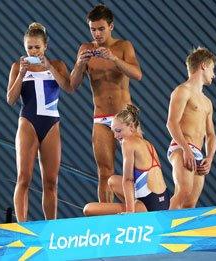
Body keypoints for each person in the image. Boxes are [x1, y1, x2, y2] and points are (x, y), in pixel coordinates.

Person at [70, 4, 142, 203]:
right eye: (93, 29)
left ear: (111, 26)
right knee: (104, 173)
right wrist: (78, 65)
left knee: (140, 169)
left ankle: (143, 212)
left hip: (125, 117)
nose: (97, 33)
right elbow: (72, 85)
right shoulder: (85, 49)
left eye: (101, 29)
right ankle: (106, 217)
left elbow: (137, 74)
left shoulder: (123, 46)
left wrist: (114, 59)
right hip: (101, 118)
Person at [6, 22, 73, 222]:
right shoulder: (18, 66)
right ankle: (22, 226)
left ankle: (50, 226)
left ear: (45, 47)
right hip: (28, 122)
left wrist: (49, 67)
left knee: (51, 182)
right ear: (25, 47)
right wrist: (22, 74)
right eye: (29, 47)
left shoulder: (58, 65)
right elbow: (10, 99)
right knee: (23, 178)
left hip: (51, 123)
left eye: (37, 47)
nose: (33, 51)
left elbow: (68, 87)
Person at [83, 105, 170, 216]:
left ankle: (135, 213)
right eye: (113, 131)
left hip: (149, 206)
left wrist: (129, 212)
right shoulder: (148, 144)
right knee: (112, 180)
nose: (115, 136)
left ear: (131, 127)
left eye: (118, 131)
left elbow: (128, 180)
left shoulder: (128, 142)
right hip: (163, 201)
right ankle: (135, 207)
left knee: (88, 209)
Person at [166, 47, 216, 209]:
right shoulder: (182, 91)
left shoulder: (207, 102)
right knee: (183, 191)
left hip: (199, 153)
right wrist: (186, 149)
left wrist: (209, 157)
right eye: (212, 69)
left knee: (190, 204)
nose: (213, 74)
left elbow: (211, 135)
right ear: (203, 66)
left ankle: (180, 235)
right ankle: (164, 233)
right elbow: (171, 123)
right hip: (181, 147)